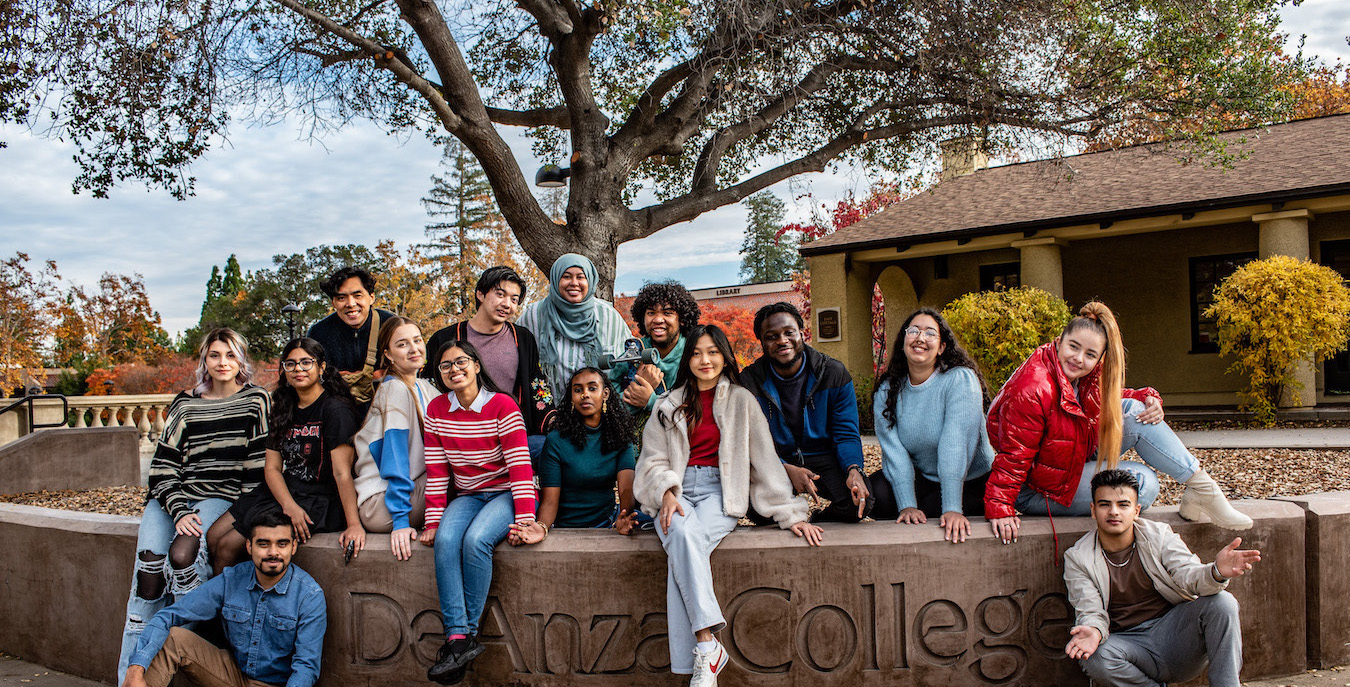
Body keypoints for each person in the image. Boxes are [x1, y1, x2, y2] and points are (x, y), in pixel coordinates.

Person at [635, 324, 824, 687]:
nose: (704, 360)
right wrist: (667, 493)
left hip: (718, 492)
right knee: (682, 538)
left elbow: (764, 461)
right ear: (687, 359)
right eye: (696, 353)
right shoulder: (668, 404)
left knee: (682, 545)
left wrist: (789, 512)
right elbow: (652, 461)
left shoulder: (741, 401)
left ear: (724, 356)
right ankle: (707, 646)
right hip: (676, 491)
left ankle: (701, 658)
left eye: (712, 352)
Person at [984, 301, 1253, 546]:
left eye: (1090, 354)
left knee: (1136, 411)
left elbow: (1110, 398)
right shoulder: (1034, 387)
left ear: (1100, 358)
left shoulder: (1084, 375)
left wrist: (1148, 397)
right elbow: (1014, 455)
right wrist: (999, 506)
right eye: (1073, 347)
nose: (1079, 358)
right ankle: (1201, 493)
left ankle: (1202, 488)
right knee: (1143, 484)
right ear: (1058, 342)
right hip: (1040, 488)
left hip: (1070, 459)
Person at [117, 329, 271, 683]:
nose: (222, 363)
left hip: (220, 497)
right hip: (170, 499)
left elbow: (255, 469)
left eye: (230, 355)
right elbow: (163, 467)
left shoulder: (257, 401)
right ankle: (128, 677)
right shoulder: (185, 403)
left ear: (241, 360)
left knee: (184, 558)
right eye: (215, 355)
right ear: (204, 360)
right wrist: (179, 510)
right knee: (148, 580)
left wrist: (243, 515)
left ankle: (168, 670)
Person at [1064, 469, 1260, 687]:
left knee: (1223, 603)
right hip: (1129, 647)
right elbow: (1089, 607)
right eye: (1104, 504)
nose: (1114, 512)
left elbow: (1188, 574)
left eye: (1123, 504)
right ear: (1093, 510)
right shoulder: (1078, 557)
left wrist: (1216, 572)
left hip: (1175, 638)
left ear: (1136, 510)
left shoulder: (1159, 535)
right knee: (1095, 657)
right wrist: (1093, 629)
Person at [420, 340, 541, 684]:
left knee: (475, 541)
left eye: (461, 362)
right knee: (445, 539)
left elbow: (519, 466)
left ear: (475, 365)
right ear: (439, 374)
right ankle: (459, 638)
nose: (454, 370)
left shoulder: (502, 405)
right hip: (470, 494)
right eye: (445, 366)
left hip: (506, 492)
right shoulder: (437, 410)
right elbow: (438, 470)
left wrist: (525, 518)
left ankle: (462, 639)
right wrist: (432, 520)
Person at [206, 338, 364, 571]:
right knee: (213, 535)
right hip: (286, 492)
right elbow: (271, 468)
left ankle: (231, 606)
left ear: (321, 367)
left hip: (319, 499)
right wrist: (288, 504)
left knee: (228, 546)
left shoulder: (335, 410)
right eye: (290, 364)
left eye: (306, 363)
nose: (298, 369)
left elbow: (342, 473)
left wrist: (354, 525)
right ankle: (236, 594)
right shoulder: (283, 406)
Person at [120, 510, 326, 687]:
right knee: (174, 637)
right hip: (232, 675)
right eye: (263, 544)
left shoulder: (309, 595)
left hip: (275, 683)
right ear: (249, 547)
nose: (273, 552)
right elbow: (168, 616)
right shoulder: (232, 579)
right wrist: (135, 669)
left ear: (293, 547)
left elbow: (306, 668)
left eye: (282, 544)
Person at [740, 302, 874, 523]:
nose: (782, 341)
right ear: (762, 342)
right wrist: (784, 467)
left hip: (823, 457)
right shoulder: (749, 381)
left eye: (788, 332)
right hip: (777, 459)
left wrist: (854, 468)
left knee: (860, 501)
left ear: (801, 333)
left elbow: (846, 433)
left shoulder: (833, 373)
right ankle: (789, 511)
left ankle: (818, 519)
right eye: (772, 336)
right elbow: (751, 441)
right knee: (758, 512)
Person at [871, 309, 994, 543]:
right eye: (914, 331)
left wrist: (952, 509)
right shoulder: (888, 389)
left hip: (969, 479)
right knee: (877, 495)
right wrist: (906, 505)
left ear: (941, 348)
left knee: (932, 512)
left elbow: (955, 444)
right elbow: (894, 452)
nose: (920, 338)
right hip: (925, 476)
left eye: (930, 333)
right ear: (903, 341)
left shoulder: (960, 380)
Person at [423, 266, 555, 458]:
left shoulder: (523, 338)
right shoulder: (445, 338)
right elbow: (429, 387)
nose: (507, 304)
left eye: (514, 299)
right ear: (480, 294)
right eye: (500, 294)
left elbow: (537, 384)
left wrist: (552, 419)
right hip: (463, 437)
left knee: (552, 446)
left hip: (512, 434)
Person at [353, 316, 438, 561]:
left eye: (417, 340)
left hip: (401, 496)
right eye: (402, 344)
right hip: (382, 504)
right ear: (388, 354)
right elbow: (395, 456)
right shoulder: (395, 389)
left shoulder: (423, 387)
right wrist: (400, 521)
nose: (414, 349)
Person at [518, 367, 640, 535]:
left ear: (605, 394)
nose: (585, 394)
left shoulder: (620, 436)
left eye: (592, 388)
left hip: (607, 524)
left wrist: (624, 517)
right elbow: (549, 502)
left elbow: (626, 488)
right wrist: (542, 527)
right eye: (577, 390)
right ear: (571, 398)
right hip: (566, 529)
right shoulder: (556, 441)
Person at [515, 253, 630, 398]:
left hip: (600, 414)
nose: (574, 283)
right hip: (551, 414)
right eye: (566, 276)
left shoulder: (609, 316)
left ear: (590, 280)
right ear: (556, 280)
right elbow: (514, 354)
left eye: (580, 277)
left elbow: (629, 361)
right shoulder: (535, 315)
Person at [306, 266, 396, 413]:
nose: (350, 303)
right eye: (341, 298)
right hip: (337, 413)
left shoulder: (391, 324)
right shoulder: (318, 333)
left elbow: (413, 365)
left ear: (371, 297)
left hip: (389, 410)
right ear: (333, 303)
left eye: (357, 295)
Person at [609, 280, 700, 415]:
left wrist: (650, 401)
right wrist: (640, 388)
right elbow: (608, 397)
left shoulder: (693, 352)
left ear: (681, 319)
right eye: (651, 313)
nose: (658, 320)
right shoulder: (635, 350)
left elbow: (696, 405)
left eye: (667, 313)